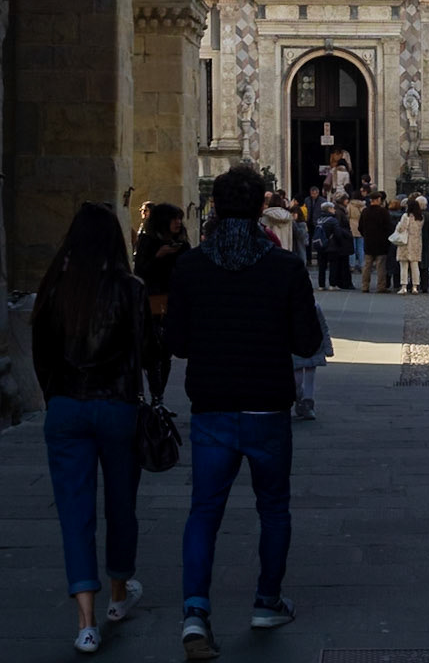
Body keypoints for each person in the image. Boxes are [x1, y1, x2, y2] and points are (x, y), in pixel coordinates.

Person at [164, 162, 323, 659]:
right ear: (261, 208)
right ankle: (266, 600)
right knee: (273, 507)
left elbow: (178, 343)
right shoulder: (284, 268)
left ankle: (195, 614)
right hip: (266, 406)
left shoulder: (189, 266)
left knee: (204, 511)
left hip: (211, 404)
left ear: (213, 206)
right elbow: (306, 340)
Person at [32, 201, 153, 654]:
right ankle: (119, 593)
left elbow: (40, 352)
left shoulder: (55, 288)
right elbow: (144, 351)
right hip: (117, 406)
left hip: (66, 407)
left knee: (74, 511)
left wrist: (55, 398)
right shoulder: (130, 289)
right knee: (122, 504)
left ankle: (86, 620)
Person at [133, 202, 190, 397]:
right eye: (174, 218)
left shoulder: (182, 244)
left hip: (173, 302)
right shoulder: (148, 242)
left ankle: (159, 397)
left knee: (166, 353)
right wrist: (158, 256)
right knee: (152, 351)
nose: (178, 222)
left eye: (179, 218)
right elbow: (140, 271)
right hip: (153, 303)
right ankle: (151, 394)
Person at [292, 301, 333, 421]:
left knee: (310, 375)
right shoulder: (288, 306)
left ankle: (307, 402)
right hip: (296, 346)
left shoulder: (315, 307)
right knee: (297, 379)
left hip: (313, 345)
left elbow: (323, 327)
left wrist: (327, 346)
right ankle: (300, 397)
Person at [358, 190, 395, 293]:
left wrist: (365, 235)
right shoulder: (383, 212)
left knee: (367, 266)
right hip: (381, 242)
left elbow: (360, 227)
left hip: (368, 241)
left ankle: (365, 286)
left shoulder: (365, 211)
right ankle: (381, 286)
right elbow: (389, 227)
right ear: (378, 200)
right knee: (381, 266)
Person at [317, 202, 352, 290]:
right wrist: (340, 243)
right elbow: (338, 234)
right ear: (329, 209)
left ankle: (321, 285)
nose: (334, 210)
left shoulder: (319, 220)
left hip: (321, 245)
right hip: (332, 246)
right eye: (333, 208)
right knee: (333, 265)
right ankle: (332, 284)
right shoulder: (333, 220)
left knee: (322, 266)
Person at [394, 196, 426, 292]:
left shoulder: (406, 216)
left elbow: (401, 228)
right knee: (415, 265)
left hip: (405, 242)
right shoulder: (421, 217)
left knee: (404, 266)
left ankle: (404, 286)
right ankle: (415, 286)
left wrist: (398, 225)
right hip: (416, 242)